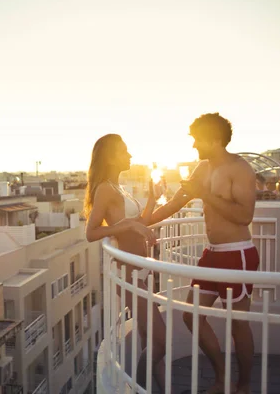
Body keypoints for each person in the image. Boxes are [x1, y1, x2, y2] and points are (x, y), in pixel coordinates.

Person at [151, 113, 259, 394]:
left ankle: (244, 386)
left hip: (238, 254)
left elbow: (245, 216)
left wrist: (205, 194)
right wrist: (139, 223)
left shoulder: (241, 169)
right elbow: (176, 202)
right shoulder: (202, 168)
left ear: (214, 139)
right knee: (192, 316)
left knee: (238, 325)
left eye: (198, 140)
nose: (194, 146)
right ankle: (222, 379)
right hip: (211, 254)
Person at [84, 133, 168, 392]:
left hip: (140, 269)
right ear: (111, 157)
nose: (130, 155)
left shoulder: (118, 187)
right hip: (130, 274)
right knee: (160, 340)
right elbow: (91, 232)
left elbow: (140, 223)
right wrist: (126, 224)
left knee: (148, 338)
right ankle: (142, 388)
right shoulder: (105, 190)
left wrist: (153, 198)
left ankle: (158, 388)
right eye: (125, 151)